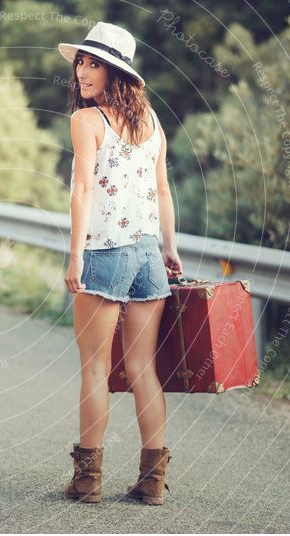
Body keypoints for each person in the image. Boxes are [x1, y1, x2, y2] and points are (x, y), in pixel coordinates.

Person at [58, 22, 183, 505]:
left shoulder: (87, 121)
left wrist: (74, 256)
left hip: (105, 253)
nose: (83, 71)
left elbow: (83, 191)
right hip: (148, 255)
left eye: (94, 63)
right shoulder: (152, 122)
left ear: (116, 72)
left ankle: (87, 481)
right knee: (142, 370)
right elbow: (163, 191)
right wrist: (168, 249)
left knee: (94, 370)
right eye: (81, 62)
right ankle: (152, 482)